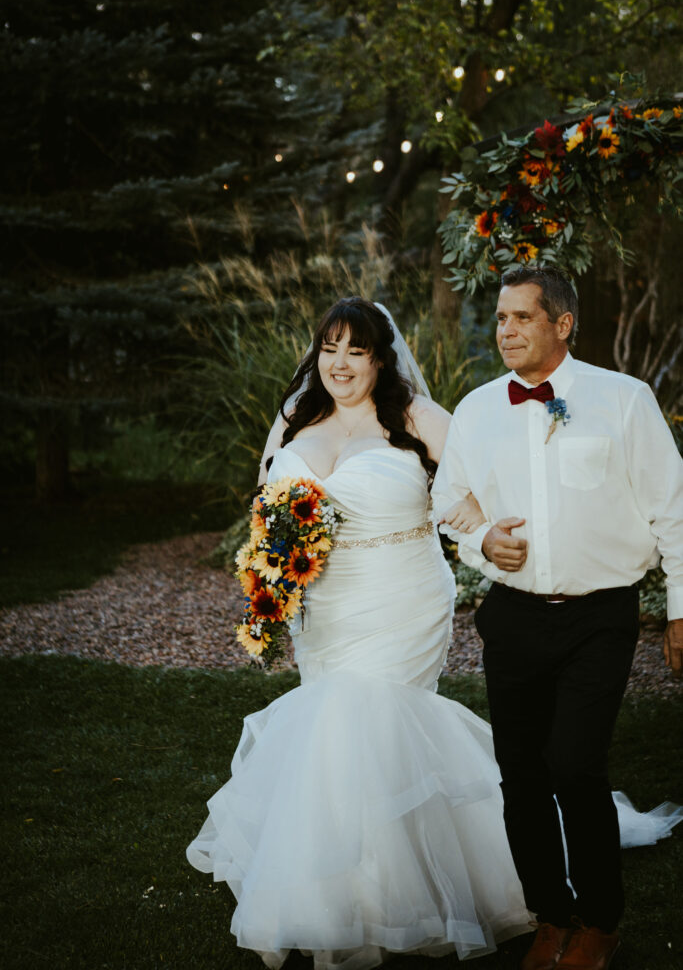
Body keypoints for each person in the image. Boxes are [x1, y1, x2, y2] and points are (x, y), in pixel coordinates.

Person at [186, 297, 534, 968]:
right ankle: (343, 885)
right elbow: (265, 507)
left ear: (381, 358)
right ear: (316, 354)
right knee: (337, 739)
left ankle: (378, 897)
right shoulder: (294, 418)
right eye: (329, 349)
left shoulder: (418, 418)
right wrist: (275, 575)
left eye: (356, 351)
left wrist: (487, 533)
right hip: (326, 604)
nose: (339, 364)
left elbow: (473, 498)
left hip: (402, 594)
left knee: (366, 721)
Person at [432, 265, 683, 970]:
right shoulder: (477, 407)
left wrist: (680, 614)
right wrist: (483, 540)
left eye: (519, 318)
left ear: (561, 324)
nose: (504, 330)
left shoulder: (623, 401)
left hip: (598, 617)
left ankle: (600, 920)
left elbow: (675, 512)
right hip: (510, 619)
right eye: (500, 318)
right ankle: (551, 912)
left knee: (574, 766)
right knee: (519, 776)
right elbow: (447, 502)